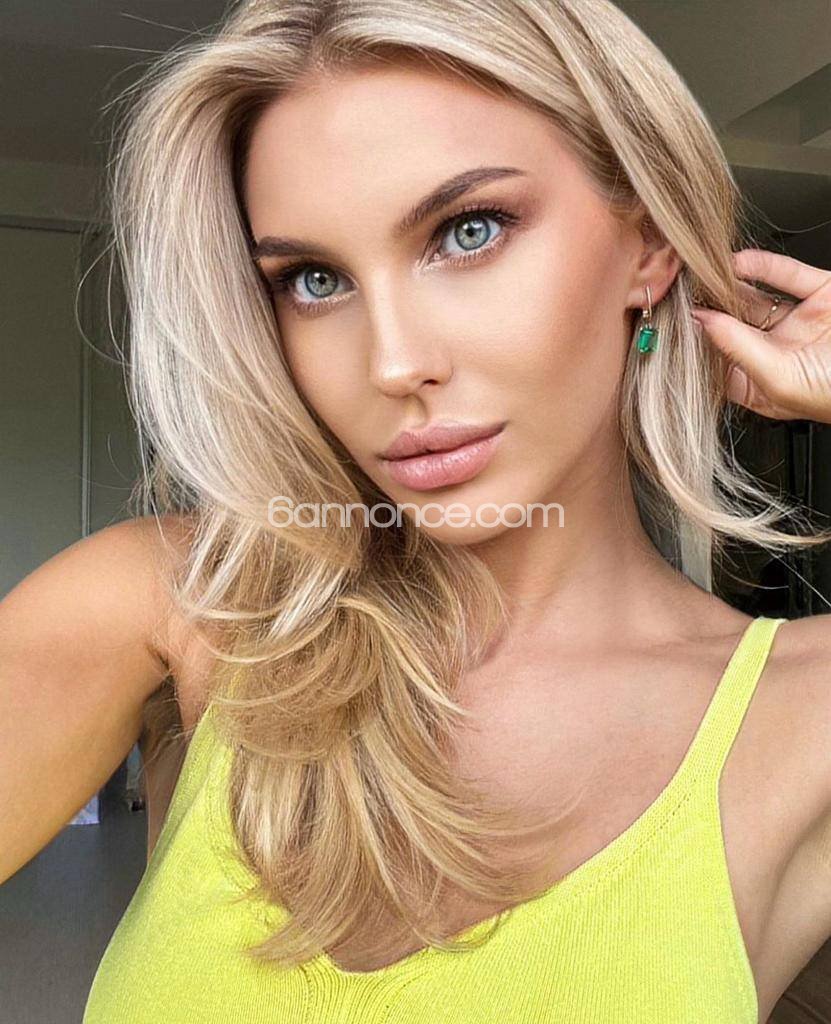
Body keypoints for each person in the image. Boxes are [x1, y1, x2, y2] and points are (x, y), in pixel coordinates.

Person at [2, 1, 831, 1022]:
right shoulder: (185, 605)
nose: (393, 363)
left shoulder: (802, 712)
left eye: (467, 232)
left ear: (648, 244)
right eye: (314, 280)